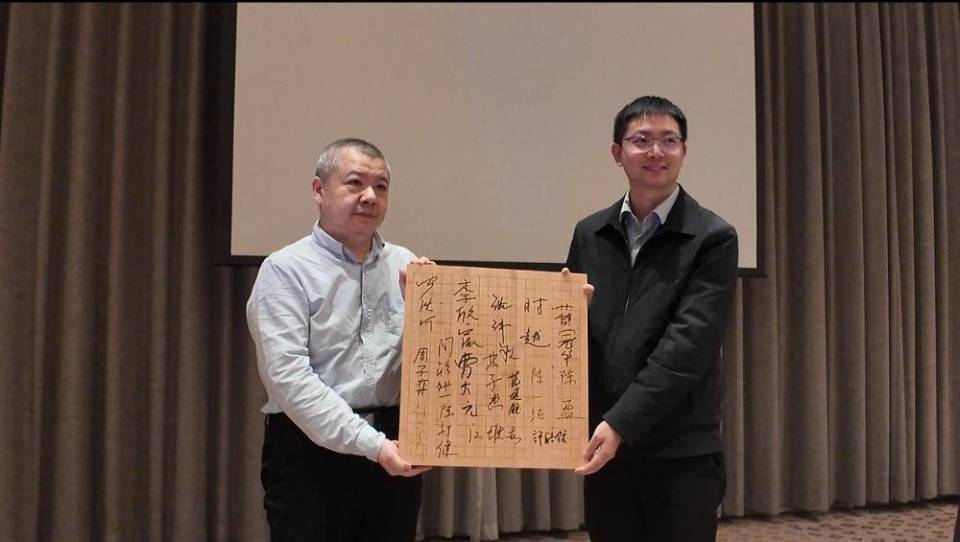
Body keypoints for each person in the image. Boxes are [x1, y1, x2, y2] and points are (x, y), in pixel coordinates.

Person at [567, 96, 739, 541]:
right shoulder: (590, 233)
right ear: (617, 152)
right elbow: (572, 338)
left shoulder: (713, 237)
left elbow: (687, 348)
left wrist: (621, 423)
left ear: (684, 151)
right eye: (641, 140)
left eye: (669, 140)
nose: (656, 152)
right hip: (607, 446)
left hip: (679, 451)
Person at [246, 138, 431, 541]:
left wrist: (432, 313)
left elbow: (439, 365)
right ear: (319, 190)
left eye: (381, 186)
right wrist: (372, 445)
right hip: (309, 452)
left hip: (394, 445)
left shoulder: (408, 266)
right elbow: (290, 379)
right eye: (355, 183)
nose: (370, 196)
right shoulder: (284, 270)